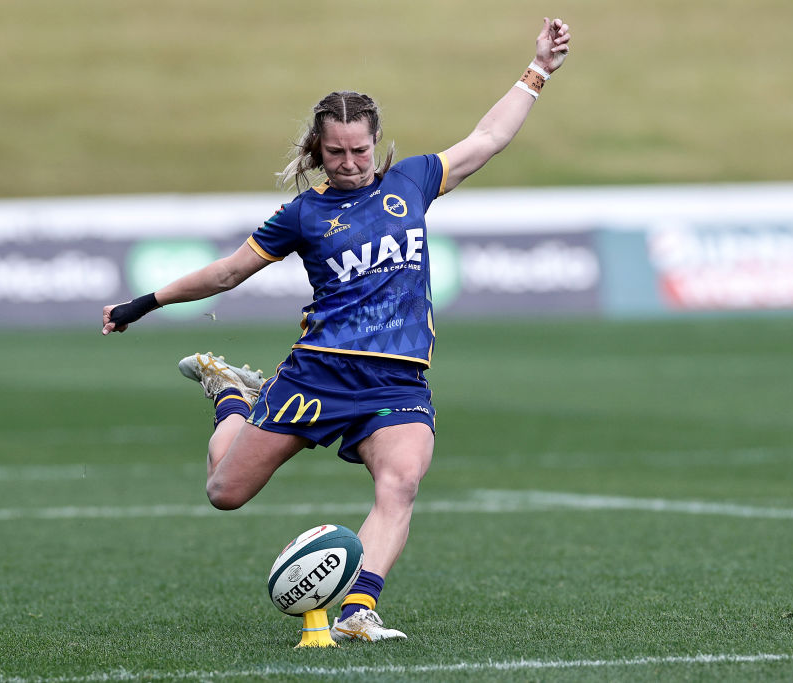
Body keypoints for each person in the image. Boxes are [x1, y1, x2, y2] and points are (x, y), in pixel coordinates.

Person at [102, 17, 571, 642]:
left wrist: (537, 70)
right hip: (318, 373)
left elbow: (488, 137)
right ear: (317, 151)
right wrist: (144, 303)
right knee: (225, 492)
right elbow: (226, 273)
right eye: (336, 152)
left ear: (378, 143)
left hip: (397, 381)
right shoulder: (304, 213)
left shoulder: (414, 181)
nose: (350, 163)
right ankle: (233, 397)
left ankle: (359, 610)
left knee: (400, 481)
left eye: (360, 150)